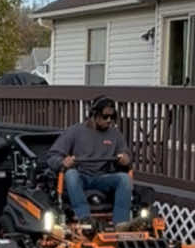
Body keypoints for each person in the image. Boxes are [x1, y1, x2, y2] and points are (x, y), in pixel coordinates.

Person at [46, 97, 134, 230]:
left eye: (112, 116)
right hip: (81, 176)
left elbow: (126, 155)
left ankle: (121, 223)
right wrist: (63, 162)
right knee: (71, 174)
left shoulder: (115, 134)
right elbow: (52, 156)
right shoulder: (75, 131)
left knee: (125, 178)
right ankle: (84, 218)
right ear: (94, 115)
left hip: (102, 178)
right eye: (105, 117)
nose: (109, 120)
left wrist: (126, 159)